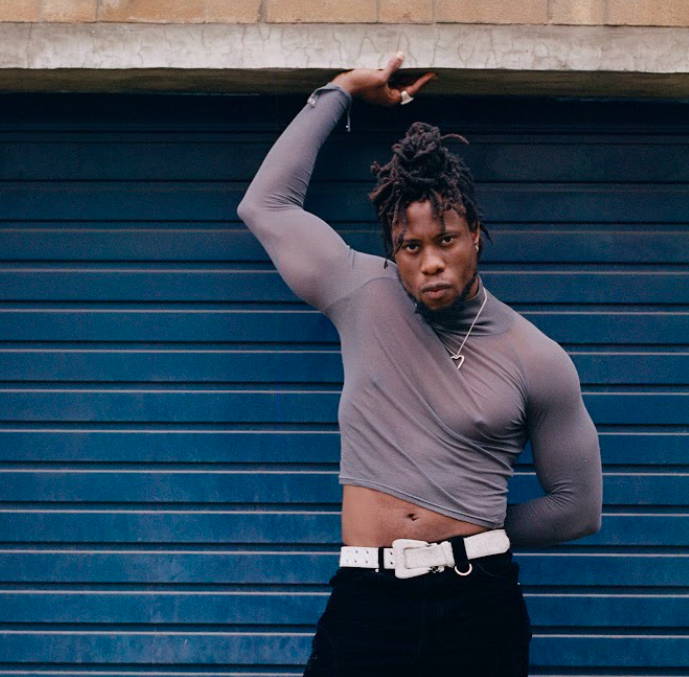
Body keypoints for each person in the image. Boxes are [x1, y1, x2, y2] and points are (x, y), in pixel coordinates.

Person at [237, 51, 603, 677]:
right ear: (394, 250)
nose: (430, 261)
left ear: (475, 235)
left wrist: (469, 527)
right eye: (411, 246)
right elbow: (266, 206)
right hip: (367, 602)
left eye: (446, 240)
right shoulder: (359, 291)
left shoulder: (536, 357)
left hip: (477, 605)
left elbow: (578, 507)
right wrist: (344, 88)